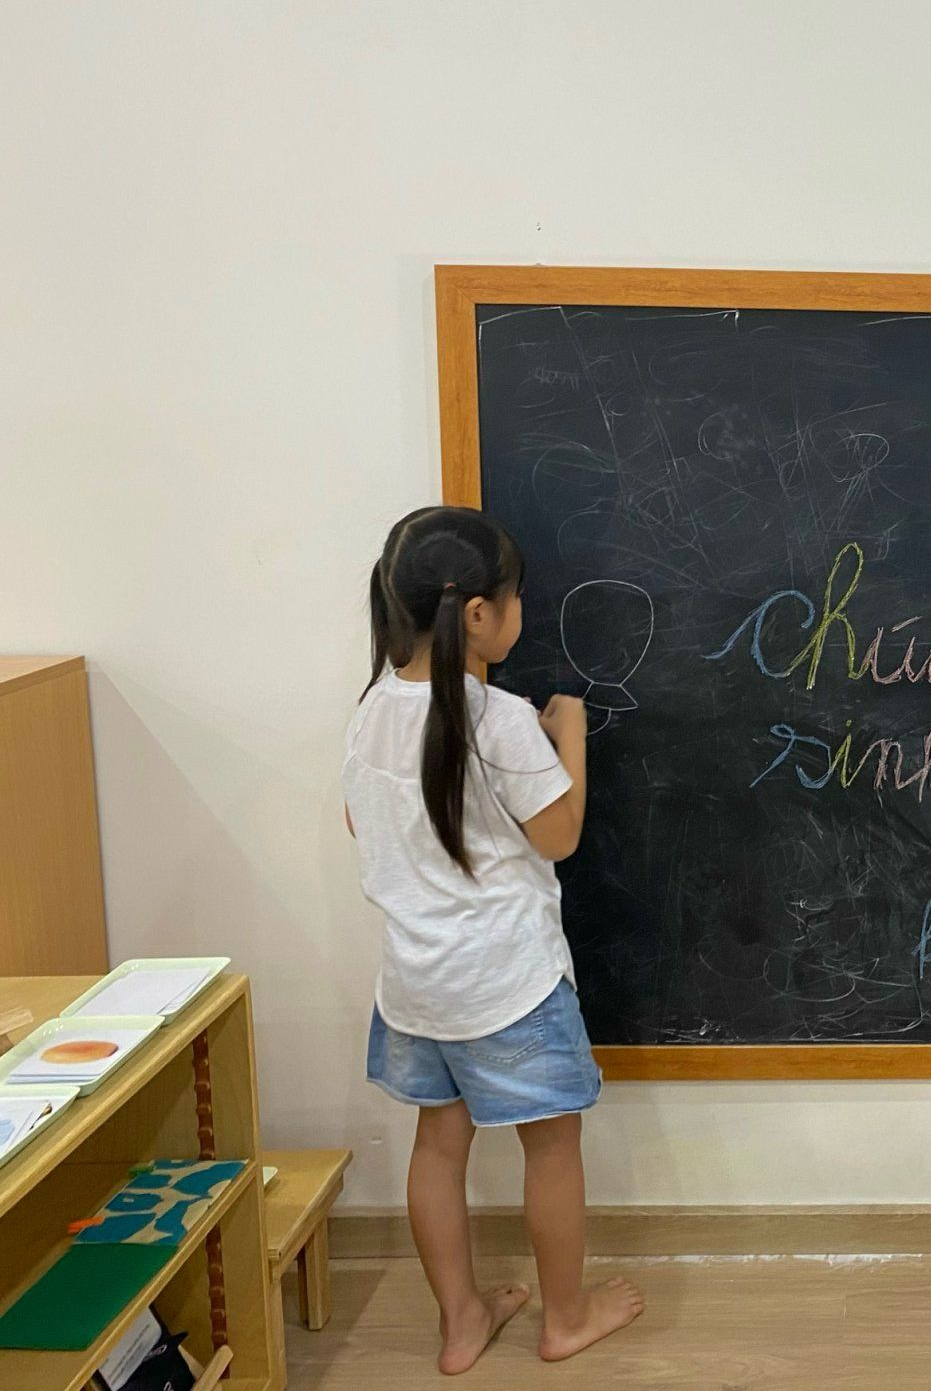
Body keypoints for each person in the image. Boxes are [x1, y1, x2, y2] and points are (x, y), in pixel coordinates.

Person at [343, 506, 643, 1371]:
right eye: (516, 599)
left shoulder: (370, 711)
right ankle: (565, 1318)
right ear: (477, 614)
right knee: (550, 1147)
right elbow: (560, 835)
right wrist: (571, 738)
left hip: (414, 985)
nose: (521, 613)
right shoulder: (502, 720)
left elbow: (362, 823)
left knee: (439, 1146)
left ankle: (461, 1320)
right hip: (508, 984)